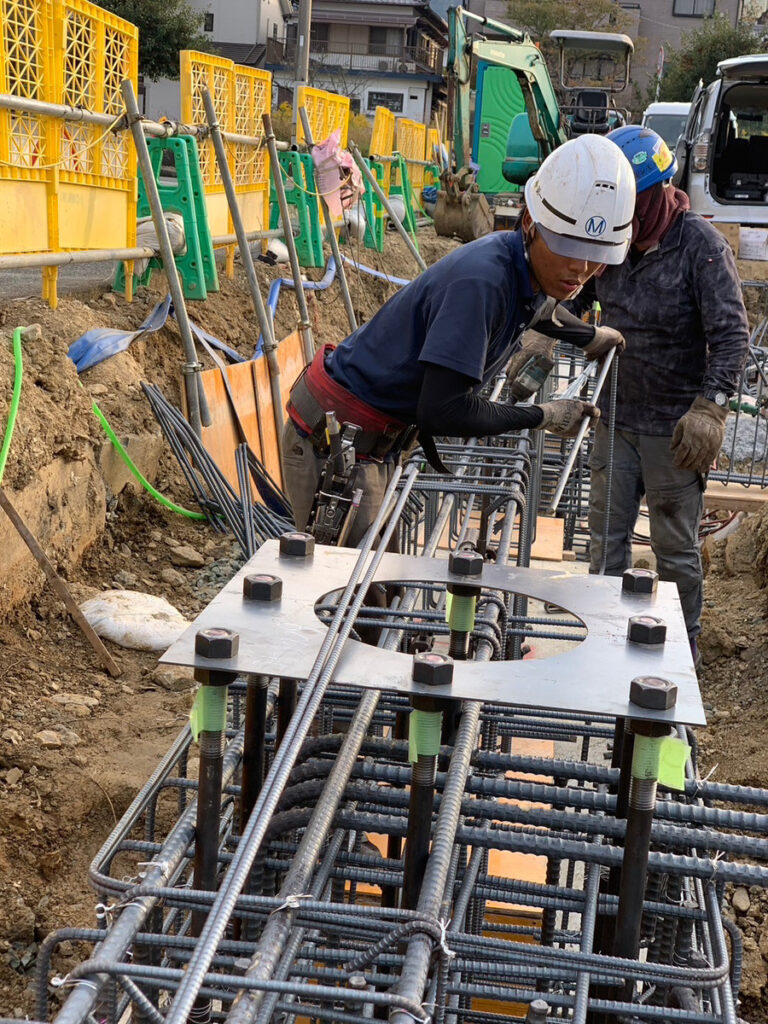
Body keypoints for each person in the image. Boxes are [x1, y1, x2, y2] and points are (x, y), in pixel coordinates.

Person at [282, 134, 636, 546]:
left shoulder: (518, 262)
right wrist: (544, 416)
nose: (582, 268)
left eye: (597, 254)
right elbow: (445, 411)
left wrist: (587, 335)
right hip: (337, 445)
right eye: (567, 247)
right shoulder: (482, 283)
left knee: (380, 585)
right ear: (529, 224)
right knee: (351, 597)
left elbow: (539, 307)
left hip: (369, 441)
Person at [586, 125, 749, 665]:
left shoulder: (700, 248)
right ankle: (603, 641)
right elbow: (568, 290)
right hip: (615, 416)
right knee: (604, 543)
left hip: (673, 431)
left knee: (674, 550)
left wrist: (712, 406)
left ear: (656, 193)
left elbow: (731, 335)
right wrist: (551, 328)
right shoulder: (610, 240)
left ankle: (682, 648)